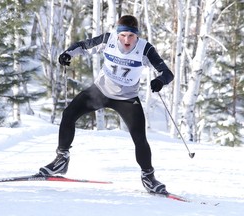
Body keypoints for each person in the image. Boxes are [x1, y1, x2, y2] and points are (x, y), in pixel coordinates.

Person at [38, 15, 174, 194]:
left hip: (127, 99)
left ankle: (149, 177)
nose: (127, 40)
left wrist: (159, 81)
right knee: (69, 114)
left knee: (140, 138)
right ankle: (61, 159)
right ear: (118, 34)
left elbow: (167, 73)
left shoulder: (145, 49)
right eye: (123, 35)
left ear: (137, 36)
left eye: (131, 36)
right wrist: (67, 54)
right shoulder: (107, 40)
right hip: (100, 92)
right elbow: (82, 46)